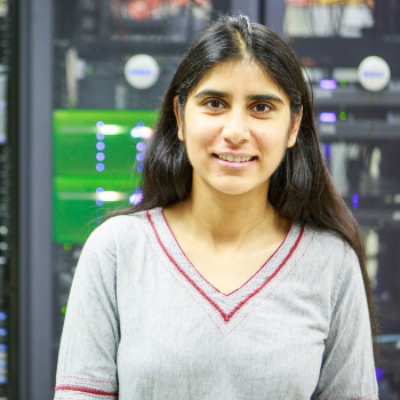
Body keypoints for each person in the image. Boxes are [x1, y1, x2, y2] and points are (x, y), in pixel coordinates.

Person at [54, 14, 379, 400]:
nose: (236, 131)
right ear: (179, 117)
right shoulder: (115, 252)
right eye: (214, 103)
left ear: (293, 126)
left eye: (261, 107)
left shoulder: (331, 263)